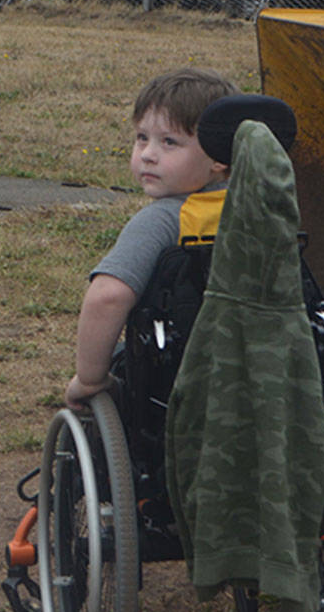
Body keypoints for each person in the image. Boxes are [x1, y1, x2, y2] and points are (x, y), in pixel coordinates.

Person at [64, 68, 239, 406]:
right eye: (141, 137)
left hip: (177, 383)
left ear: (220, 156)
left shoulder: (161, 221)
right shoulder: (264, 209)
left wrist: (89, 381)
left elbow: (108, 297)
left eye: (169, 142)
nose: (147, 154)